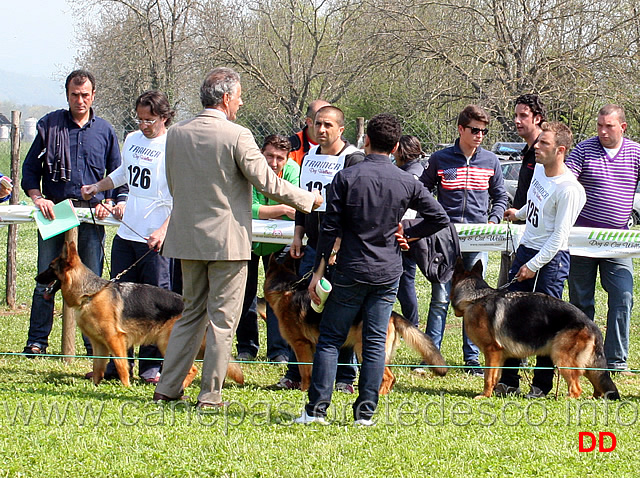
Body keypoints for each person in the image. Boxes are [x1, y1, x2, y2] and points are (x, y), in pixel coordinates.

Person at [152, 67, 322, 409]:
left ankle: (167, 388)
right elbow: (268, 184)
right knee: (222, 320)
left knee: (190, 314)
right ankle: (210, 396)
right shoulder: (237, 135)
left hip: (187, 240)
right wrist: (309, 200)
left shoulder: (176, 134)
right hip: (227, 242)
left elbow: (173, 185)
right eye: (240, 96)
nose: (241, 103)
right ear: (226, 98)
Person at [294, 113, 449, 425]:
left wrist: (318, 272)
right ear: (394, 147)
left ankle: (316, 411)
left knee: (330, 338)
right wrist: (408, 232)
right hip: (387, 271)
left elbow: (329, 229)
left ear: (365, 141)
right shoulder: (408, 181)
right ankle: (365, 413)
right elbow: (439, 217)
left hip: (350, 269)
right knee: (376, 341)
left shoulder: (346, 177)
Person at [21, 69, 122, 357]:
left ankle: (94, 345)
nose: (80, 100)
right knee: (47, 278)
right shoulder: (49, 126)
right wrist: (38, 197)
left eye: (85, 95)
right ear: (67, 95)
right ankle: (37, 342)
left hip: (91, 216)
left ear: (93, 96)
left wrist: (111, 201)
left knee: (92, 284)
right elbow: (30, 170)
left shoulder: (105, 131)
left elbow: (117, 175)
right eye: (75, 95)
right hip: (55, 214)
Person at [81, 90, 175, 384]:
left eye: (150, 120)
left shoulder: (174, 145)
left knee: (152, 305)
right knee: (118, 304)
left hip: (155, 238)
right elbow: (123, 174)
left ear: (164, 117)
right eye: (141, 119)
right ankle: (116, 366)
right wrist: (97, 187)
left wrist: (163, 230)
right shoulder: (133, 140)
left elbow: (182, 195)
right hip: (127, 234)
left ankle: (151, 368)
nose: (144, 125)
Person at [494, 121, 586, 398]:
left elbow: (559, 237)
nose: (536, 147)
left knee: (547, 323)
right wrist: (518, 213)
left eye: (543, 143)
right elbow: (534, 204)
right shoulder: (540, 171)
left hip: (551, 260)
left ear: (560, 150)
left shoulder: (569, 189)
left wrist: (532, 266)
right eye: (538, 142)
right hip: (527, 248)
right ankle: (508, 381)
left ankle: (541, 386)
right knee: (511, 317)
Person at [276, 105, 364, 392]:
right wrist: (298, 235)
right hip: (312, 245)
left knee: (340, 309)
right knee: (299, 310)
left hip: (340, 249)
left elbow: (353, 208)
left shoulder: (352, 159)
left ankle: (344, 377)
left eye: (328, 125)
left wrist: (338, 243)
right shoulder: (309, 156)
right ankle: (295, 373)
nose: (322, 130)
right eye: (317, 124)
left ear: (341, 128)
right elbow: (303, 201)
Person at [419, 105, 508, 376]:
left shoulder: (491, 161)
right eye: (474, 130)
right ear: (461, 129)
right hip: (446, 241)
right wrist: (435, 216)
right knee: (441, 298)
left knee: (476, 302)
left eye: (483, 131)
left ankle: (472, 360)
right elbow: (422, 189)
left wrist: (493, 219)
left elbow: (501, 196)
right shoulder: (441, 158)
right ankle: (431, 357)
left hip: (478, 240)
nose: (479, 135)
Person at [565, 104, 640, 374]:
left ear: (622, 127)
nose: (603, 131)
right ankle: (582, 358)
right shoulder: (585, 149)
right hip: (582, 239)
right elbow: (567, 179)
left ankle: (617, 362)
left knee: (623, 296)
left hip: (618, 242)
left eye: (609, 126)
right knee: (581, 303)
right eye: (599, 125)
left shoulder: (635, 152)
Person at [235, 134, 299, 364]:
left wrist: (273, 209)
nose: (274, 162)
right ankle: (246, 347)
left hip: (280, 240)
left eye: (280, 158)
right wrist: (281, 207)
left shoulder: (293, 170)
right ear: (261, 153)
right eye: (269, 156)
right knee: (245, 292)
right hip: (246, 238)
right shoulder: (250, 168)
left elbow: (296, 204)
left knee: (279, 295)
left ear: (288, 158)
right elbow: (248, 208)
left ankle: (279, 351)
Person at [498, 94, 547, 286]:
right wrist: (517, 213)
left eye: (523, 115)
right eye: (515, 115)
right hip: (518, 230)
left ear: (537, 118)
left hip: (535, 240)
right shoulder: (528, 151)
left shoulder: (544, 153)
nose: (517, 121)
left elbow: (545, 199)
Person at [394, 135, 427, 327]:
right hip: (407, 231)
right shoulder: (409, 170)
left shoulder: (412, 173)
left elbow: (409, 207)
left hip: (406, 233)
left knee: (405, 282)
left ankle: (412, 324)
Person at [288, 100, 330, 165]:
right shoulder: (291, 147)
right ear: (309, 122)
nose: (323, 129)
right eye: (319, 123)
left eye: (329, 124)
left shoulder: (343, 148)